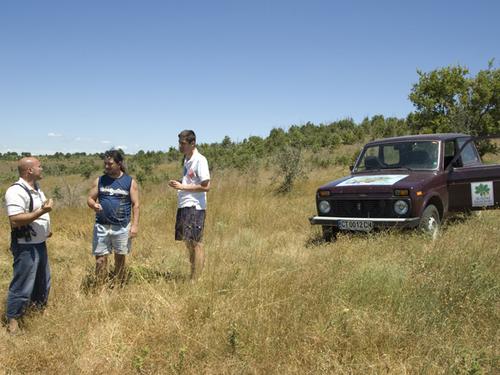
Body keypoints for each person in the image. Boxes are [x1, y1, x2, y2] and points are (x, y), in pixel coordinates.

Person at [4, 157, 53, 334]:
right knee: (23, 282)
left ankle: (39, 309)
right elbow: (15, 219)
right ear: (29, 170)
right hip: (25, 245)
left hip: (39, 242)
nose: (42, 169)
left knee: (42, 279)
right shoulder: (15, 191)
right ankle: (13, 319)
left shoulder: (36, 189)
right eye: (39, 166)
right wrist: (42, 211)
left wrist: (47, 228)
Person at [87, 150, 140, 286]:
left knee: (120, 258)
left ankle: (118, 286)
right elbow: (90, 199)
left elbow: (136, 204)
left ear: (119, 163)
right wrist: (94, 205)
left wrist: (134, 226)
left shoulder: (129, 182)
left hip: (122, 227)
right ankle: (100, 287)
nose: (106, 167)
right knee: (100, 259)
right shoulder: (99, 180)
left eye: (110, 164)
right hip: (102, 226)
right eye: (105, 164)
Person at [168, 130, 210, 280]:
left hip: (195, 206)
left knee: (196, 242)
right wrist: (179, 182)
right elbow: (191, 180)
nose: (180, 146)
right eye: (179, 143)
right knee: (188, 242)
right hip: (184, 204)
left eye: (183, 144)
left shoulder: (200, 160)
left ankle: (197, 279)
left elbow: (206, 186)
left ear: (193, 144)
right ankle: (192, 274)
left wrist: (182, 187)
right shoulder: (187, 159)